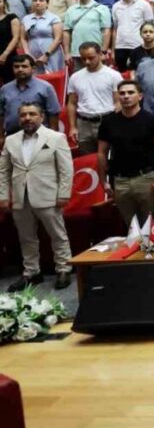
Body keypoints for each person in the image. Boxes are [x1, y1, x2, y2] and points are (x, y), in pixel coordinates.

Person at [0, 102, 73, 291]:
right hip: (20, 197)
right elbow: (3, 170)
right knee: (26, 238)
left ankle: (64, 268)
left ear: (41, 116)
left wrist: (64, 193)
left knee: (58, 235)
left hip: (48, 195)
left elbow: (66, 169)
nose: (27, 118)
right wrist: (3, 196)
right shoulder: (10, 140)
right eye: (23, 115)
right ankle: (31, 272)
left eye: (32, 114)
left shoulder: (56, 137)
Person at [97, 80, 154, 226]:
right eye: (122, 93)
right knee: (131, 227)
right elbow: (101, 153)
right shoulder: (109, 122)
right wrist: (103, 181)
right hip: (120, 181)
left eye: (130, 92)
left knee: (152, 226)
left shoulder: (153, 120)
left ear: (140, 96)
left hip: (146, 179)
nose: (126, 96)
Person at [65, 43, 121, 155]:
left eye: (91, 58)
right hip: (83, 124)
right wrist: (73, 127)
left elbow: (118, 103)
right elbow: (72, 103)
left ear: (100, 54)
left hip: (107, 120)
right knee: (86, 158)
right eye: (83, 58)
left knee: (109, 157)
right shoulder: (75, 77)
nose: (87, 62)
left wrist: (116, 124)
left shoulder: (113, 75)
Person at [0, 55, 61, 134]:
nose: (20, 69)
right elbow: (1, 114)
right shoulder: (5, 89)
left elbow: (53, 114)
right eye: (16, 67)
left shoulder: (46, 87)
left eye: (24, 66)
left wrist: (52, 136)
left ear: (33, 69)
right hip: (12, 135)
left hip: (39, 135)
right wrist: (1, 135)